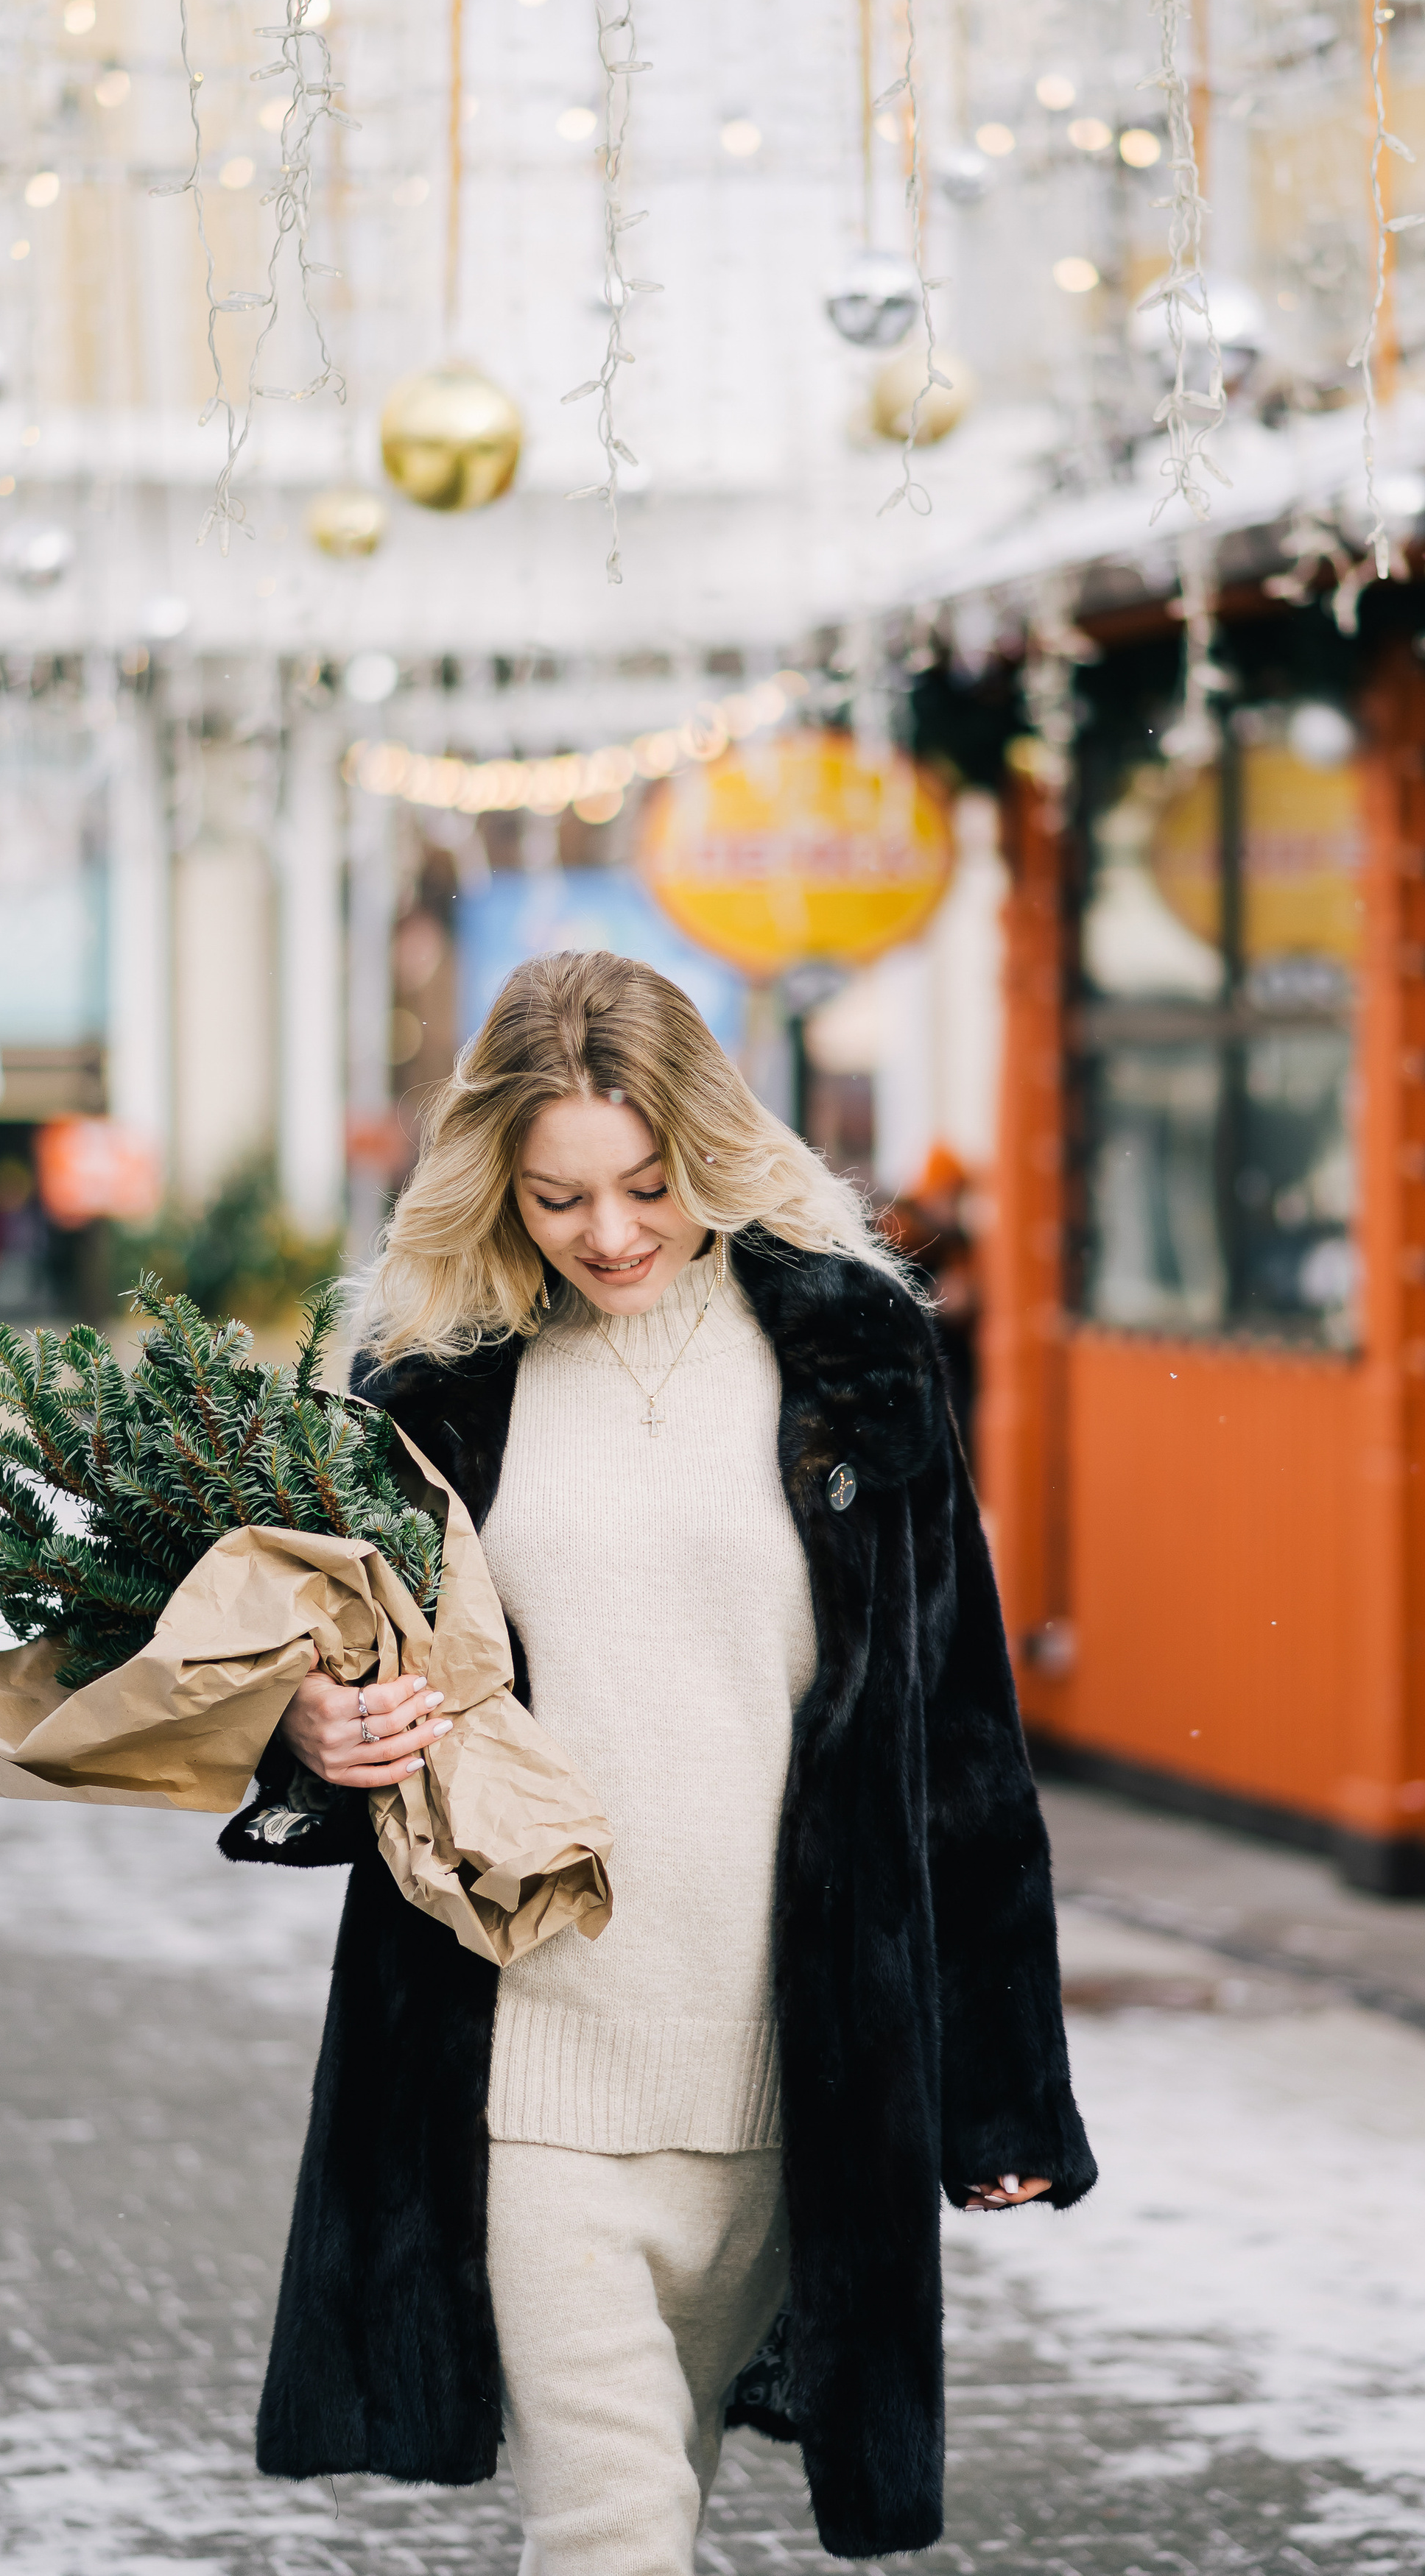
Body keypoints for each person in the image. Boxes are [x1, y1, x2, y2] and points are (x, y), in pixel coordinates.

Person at [222, 950, 1094, 2573]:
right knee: (611, 2529)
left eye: (649, 1184)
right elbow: (316, 1657)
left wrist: (1002, 2085)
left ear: (713, 1145)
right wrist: (310, 1732)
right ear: (495, 1181)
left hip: (796, 2076)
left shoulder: (857, 1355)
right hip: (520, 2066)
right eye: (558, 1198)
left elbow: (955, 1735)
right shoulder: (433, 1381)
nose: (611, 1233)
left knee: (657, 2496)